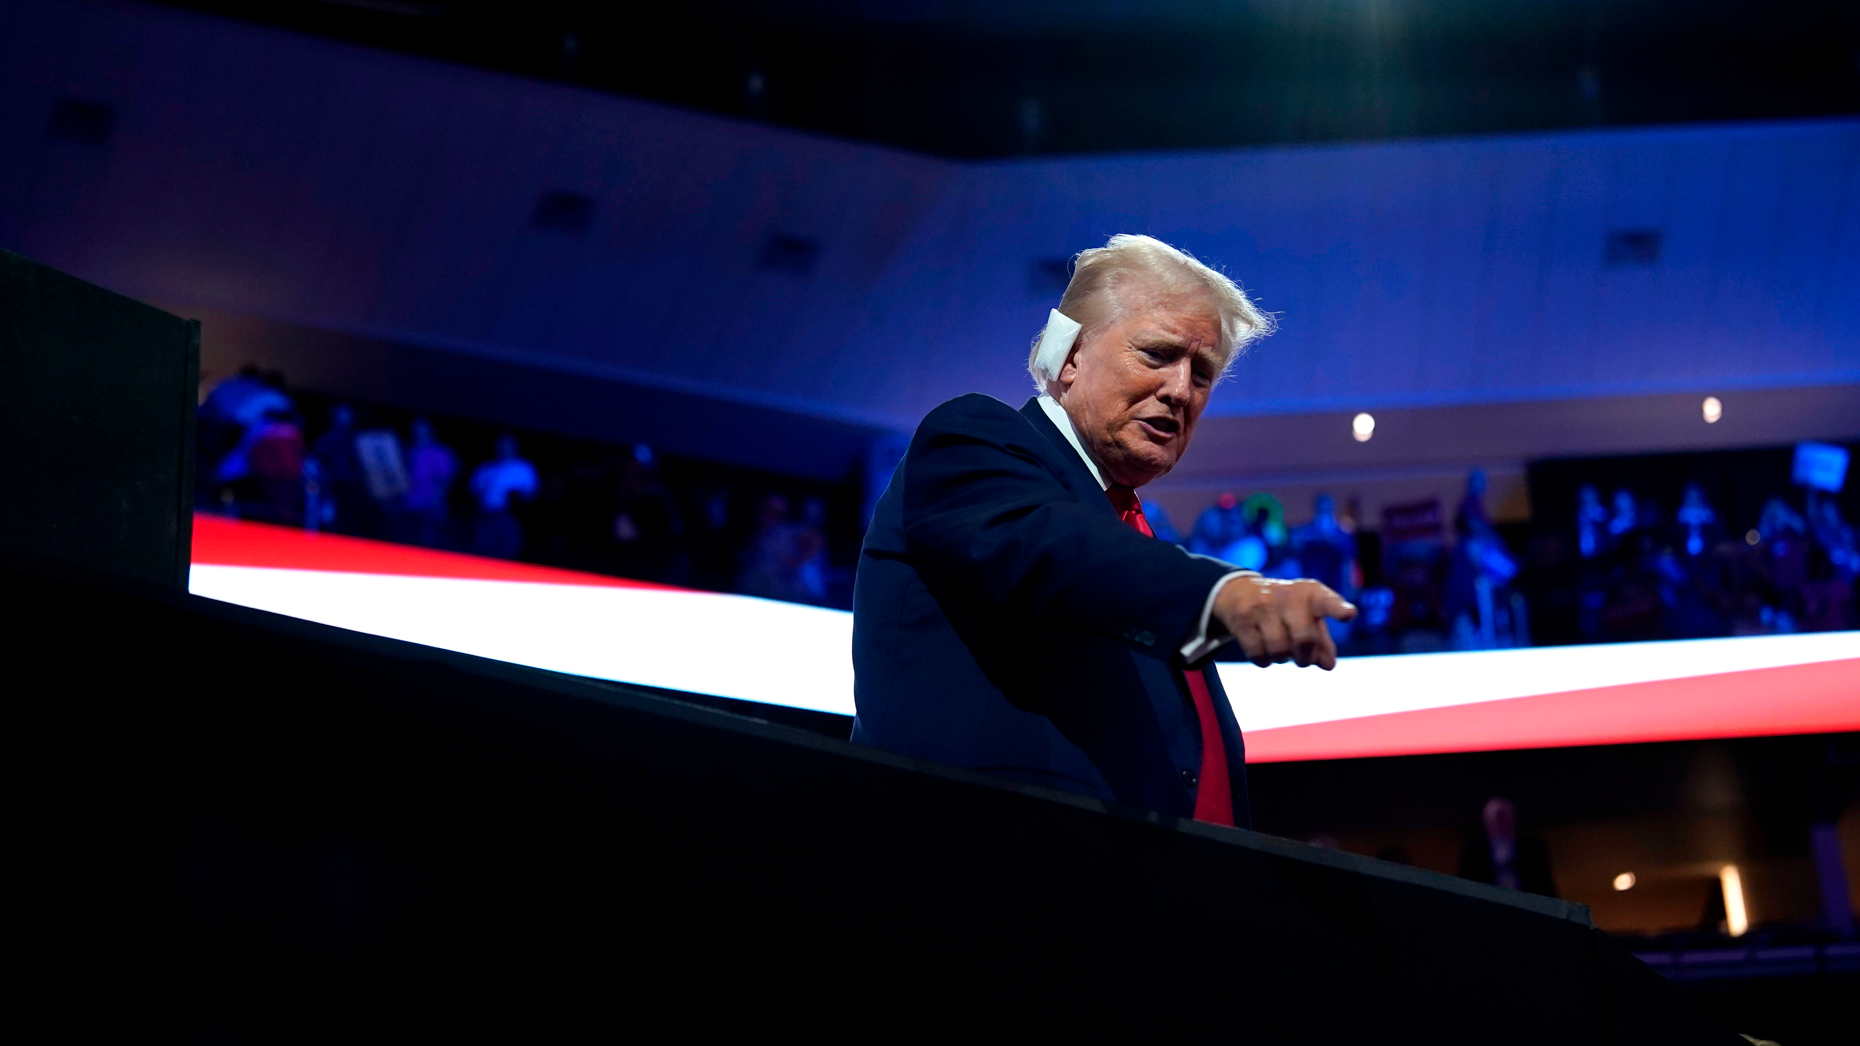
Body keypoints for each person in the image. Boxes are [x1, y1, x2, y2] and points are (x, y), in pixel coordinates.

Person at [851, 234, 1355, 825]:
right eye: (1158, 354)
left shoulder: (1136, 546)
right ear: (1068, 356)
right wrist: (1226, 594)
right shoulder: (970, 438)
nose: (1181, 390)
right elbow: (1059, 552)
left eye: (1203, 372)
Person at [1459, 797, 1557, 897]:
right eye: (1494, 819)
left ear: (1513, 818)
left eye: (1502, 818)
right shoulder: (1474, 852)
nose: (1499, 824)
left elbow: (1544, 884)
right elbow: (1464, 886)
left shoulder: (1533, 849)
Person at [469, 435, 539, 559]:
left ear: (514, 447)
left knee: (508, 552)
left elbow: (531, 495)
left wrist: (517, 498)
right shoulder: (486, 468)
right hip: (485, 516)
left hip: (510, 518)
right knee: (482, 554)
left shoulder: (523, 468)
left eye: (507, 445)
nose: (503, 448)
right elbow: (473, 491)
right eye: (500, 445)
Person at [402, 418, 458, 548]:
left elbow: (445, 481)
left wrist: (437, 503)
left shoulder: (440, 452)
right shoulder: (408, 451)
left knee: (428, 545)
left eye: (422, 429)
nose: (419, 433)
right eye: (416, 430)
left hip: (430, 507)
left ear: (429, 431)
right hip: (409, 506)